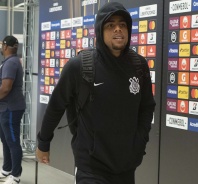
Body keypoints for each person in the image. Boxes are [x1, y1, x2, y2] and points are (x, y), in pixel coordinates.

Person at [36, 2, 156, 184]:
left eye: (122, 25)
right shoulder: (80, 66)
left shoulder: (139, 66)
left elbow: (147, 107)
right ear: (101, 30)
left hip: (126, 166)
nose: (118, 29)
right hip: (91, 167)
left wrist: (139, 142)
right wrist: (43, 143)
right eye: (111, 25)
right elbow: (56, 106)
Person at [0, 36, 26, 184]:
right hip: (6, 108)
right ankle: (7, 169)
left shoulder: (11, 63)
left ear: (5, 46)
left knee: (13, 141)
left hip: (11, 108)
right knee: (5, 139)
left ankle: (15, 175)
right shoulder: (10, 61)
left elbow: (5, 89)